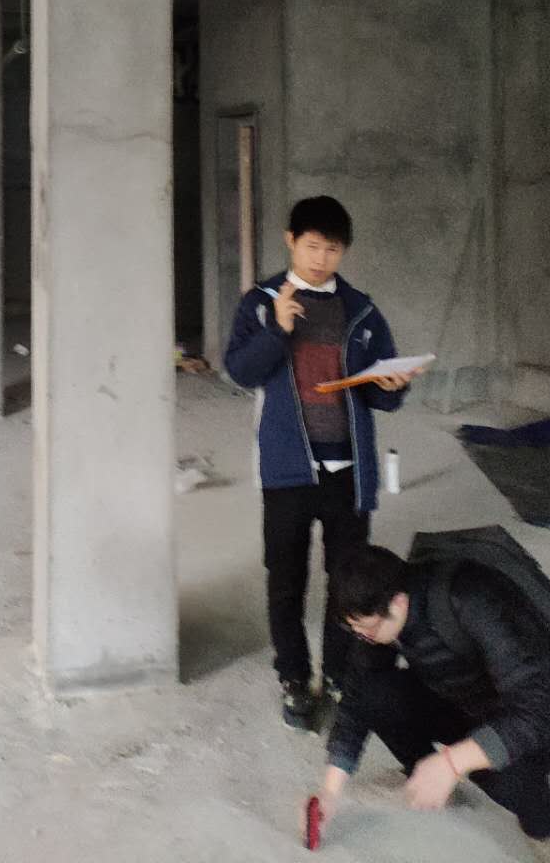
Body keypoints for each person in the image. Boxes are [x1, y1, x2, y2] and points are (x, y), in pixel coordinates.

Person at [224, 195, 412, 729]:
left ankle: (337, 674)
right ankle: (293, 678)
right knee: (285, 579)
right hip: (287, 470)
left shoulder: (361, 309)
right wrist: (277, 330)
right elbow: (241, 371)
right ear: (290, 241)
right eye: (311, 246)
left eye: (331, 249)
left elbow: (379, 392)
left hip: (348, 471)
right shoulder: (262, 302)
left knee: (348, 581)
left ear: (343, 251)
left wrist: (391, 387)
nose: (320, 259)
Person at [313, 544, 550, 861]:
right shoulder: (380, 611)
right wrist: (330, 792)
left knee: (497, 771)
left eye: (368, 628)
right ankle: (425, 778)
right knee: (375, 694)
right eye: (356, 630)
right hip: (462, 701)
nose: (364, 637)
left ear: (398, 602)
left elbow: (536, 708)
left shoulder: (472, 598)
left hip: (547, 722)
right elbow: (358, 692)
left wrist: (453, 763)